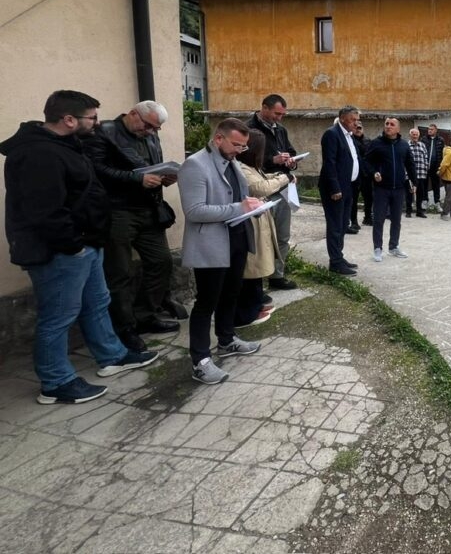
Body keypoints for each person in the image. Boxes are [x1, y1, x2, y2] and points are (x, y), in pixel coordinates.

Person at [1, 90, 158, 404]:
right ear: (69, 119)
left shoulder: (67, 145)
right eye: (92, 118)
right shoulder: (38, 153)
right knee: (58, 316)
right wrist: (73, 246)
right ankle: (55, 382)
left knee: (96, 302)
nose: (98, 124)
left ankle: (112, 355)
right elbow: (45, 210)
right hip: (60, 251)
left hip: (86, 244)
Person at [83, 100, 177, 351]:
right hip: (118, 211)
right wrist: (136, 178)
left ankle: (146, 316)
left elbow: (151, 164)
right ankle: (124, 328)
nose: (150, 132)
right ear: (133, 114)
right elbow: (96, 170)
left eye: (155, 129)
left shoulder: (149, 134)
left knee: (161, 261)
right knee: (120, 272)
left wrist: (164, 177)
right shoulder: (104, 132)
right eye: (147, 126)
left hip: (149, 209)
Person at [178, 118, 264, 385]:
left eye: (243, 146)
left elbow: (237, 197)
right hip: (211, 244)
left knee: (231, 294)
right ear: (218, 139)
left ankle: (227, 340)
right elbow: (194, 211)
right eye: (236, 144)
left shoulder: (232, 162)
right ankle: (201, 361)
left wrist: (252, 206)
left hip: (236, 238)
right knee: (207, 302)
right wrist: (240, 208)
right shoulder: (195, 165)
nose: (241, 150)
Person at [235, 129, 291, 327]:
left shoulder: (250, 166)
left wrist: (277, 174)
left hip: (258, 219)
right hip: (249, 222)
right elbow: (259, 187)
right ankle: (247, 311)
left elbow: (263, 178)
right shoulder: (240, 167)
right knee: (252, 266)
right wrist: (285, 178)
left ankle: (256, 304)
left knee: (257, 265)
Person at [247, 94, 298, 291]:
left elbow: (291, 151)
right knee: (262, 238)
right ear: (264, 108)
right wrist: (273, 160)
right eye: (277, 113)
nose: (279, 118)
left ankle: (277, 276)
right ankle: (257, 281)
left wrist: (290, 160)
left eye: (283, 114)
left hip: (282, 188)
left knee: (282, 235)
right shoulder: (249, 128)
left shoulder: (281, 130)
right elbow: (247, 159)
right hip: (261, 188)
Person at [366, 117, 416, 261]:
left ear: (398, 129)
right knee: (379, 220)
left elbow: (410, 164)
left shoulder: (404, 145)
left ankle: (393, 247)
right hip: (381, 188)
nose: (388, 126)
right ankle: (377, 248)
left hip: (399, 189)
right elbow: (366, 161)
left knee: (396, 220)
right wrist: (373, 172)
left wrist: (415, 182)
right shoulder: (376, 143)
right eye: (386, 124)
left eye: (392, 124)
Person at [319, 106, 361, 276]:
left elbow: (353, 159)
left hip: (348, 187)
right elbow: (329, 163)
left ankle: (339, 256)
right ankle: (335, 262)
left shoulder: (349, 136)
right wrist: (335, 187)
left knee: (344, 224)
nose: (356, 123)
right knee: (335, 225)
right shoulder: (332, 134)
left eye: (357, 120)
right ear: (343, 118)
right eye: (353, 120)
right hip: (335, 189)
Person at [350, 121, 373, 230]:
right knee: (353, 199)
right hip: (355, 174)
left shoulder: (368, 141)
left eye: (360, 128)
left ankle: (367, 217)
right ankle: (353, 221)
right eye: (356, 128)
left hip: (366, 174)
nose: (358, 129)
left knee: (369, 197)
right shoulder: (350, 140)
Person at [408, 127, 429, 218]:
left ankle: (419, 211)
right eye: (413, 134)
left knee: (420, 193)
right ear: (410, 135)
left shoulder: (422, 145)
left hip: (421, 173)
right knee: (409, 193)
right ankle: (408, 211)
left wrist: (426, 167)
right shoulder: (406, 145)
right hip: (410, 174)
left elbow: (425, 157)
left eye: (416, 134)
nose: (415, 136)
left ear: (419, 135)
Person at [424, 123, 446, 210]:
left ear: (436, 130)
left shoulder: (440, 140)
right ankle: (425, 201)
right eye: (429, 129)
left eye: (431, 129)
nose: (429, 131)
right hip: (425, 166)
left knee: (436, 185)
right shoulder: (424, 139)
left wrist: (441, 166)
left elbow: (443, 153)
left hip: (436, 167)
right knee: (424, 184)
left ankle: (437, 203)